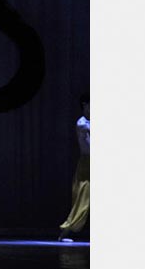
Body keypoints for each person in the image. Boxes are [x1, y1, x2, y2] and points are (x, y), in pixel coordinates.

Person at [58, 94, 90, 242]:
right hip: (87, 164)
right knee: (82, 200)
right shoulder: (82, 123)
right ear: (85, 105)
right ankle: (65, 233)